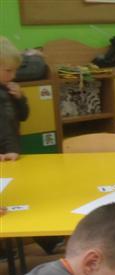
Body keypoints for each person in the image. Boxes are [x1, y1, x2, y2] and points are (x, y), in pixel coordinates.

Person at [0, 36, 63, 254]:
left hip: (13, 155)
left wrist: (21, 98)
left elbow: (23, 116)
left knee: (26, 199)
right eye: (8, 71)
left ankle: (52, 242)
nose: (13, 76)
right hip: (5, 156)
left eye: (15, 71)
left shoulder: (9, 89)